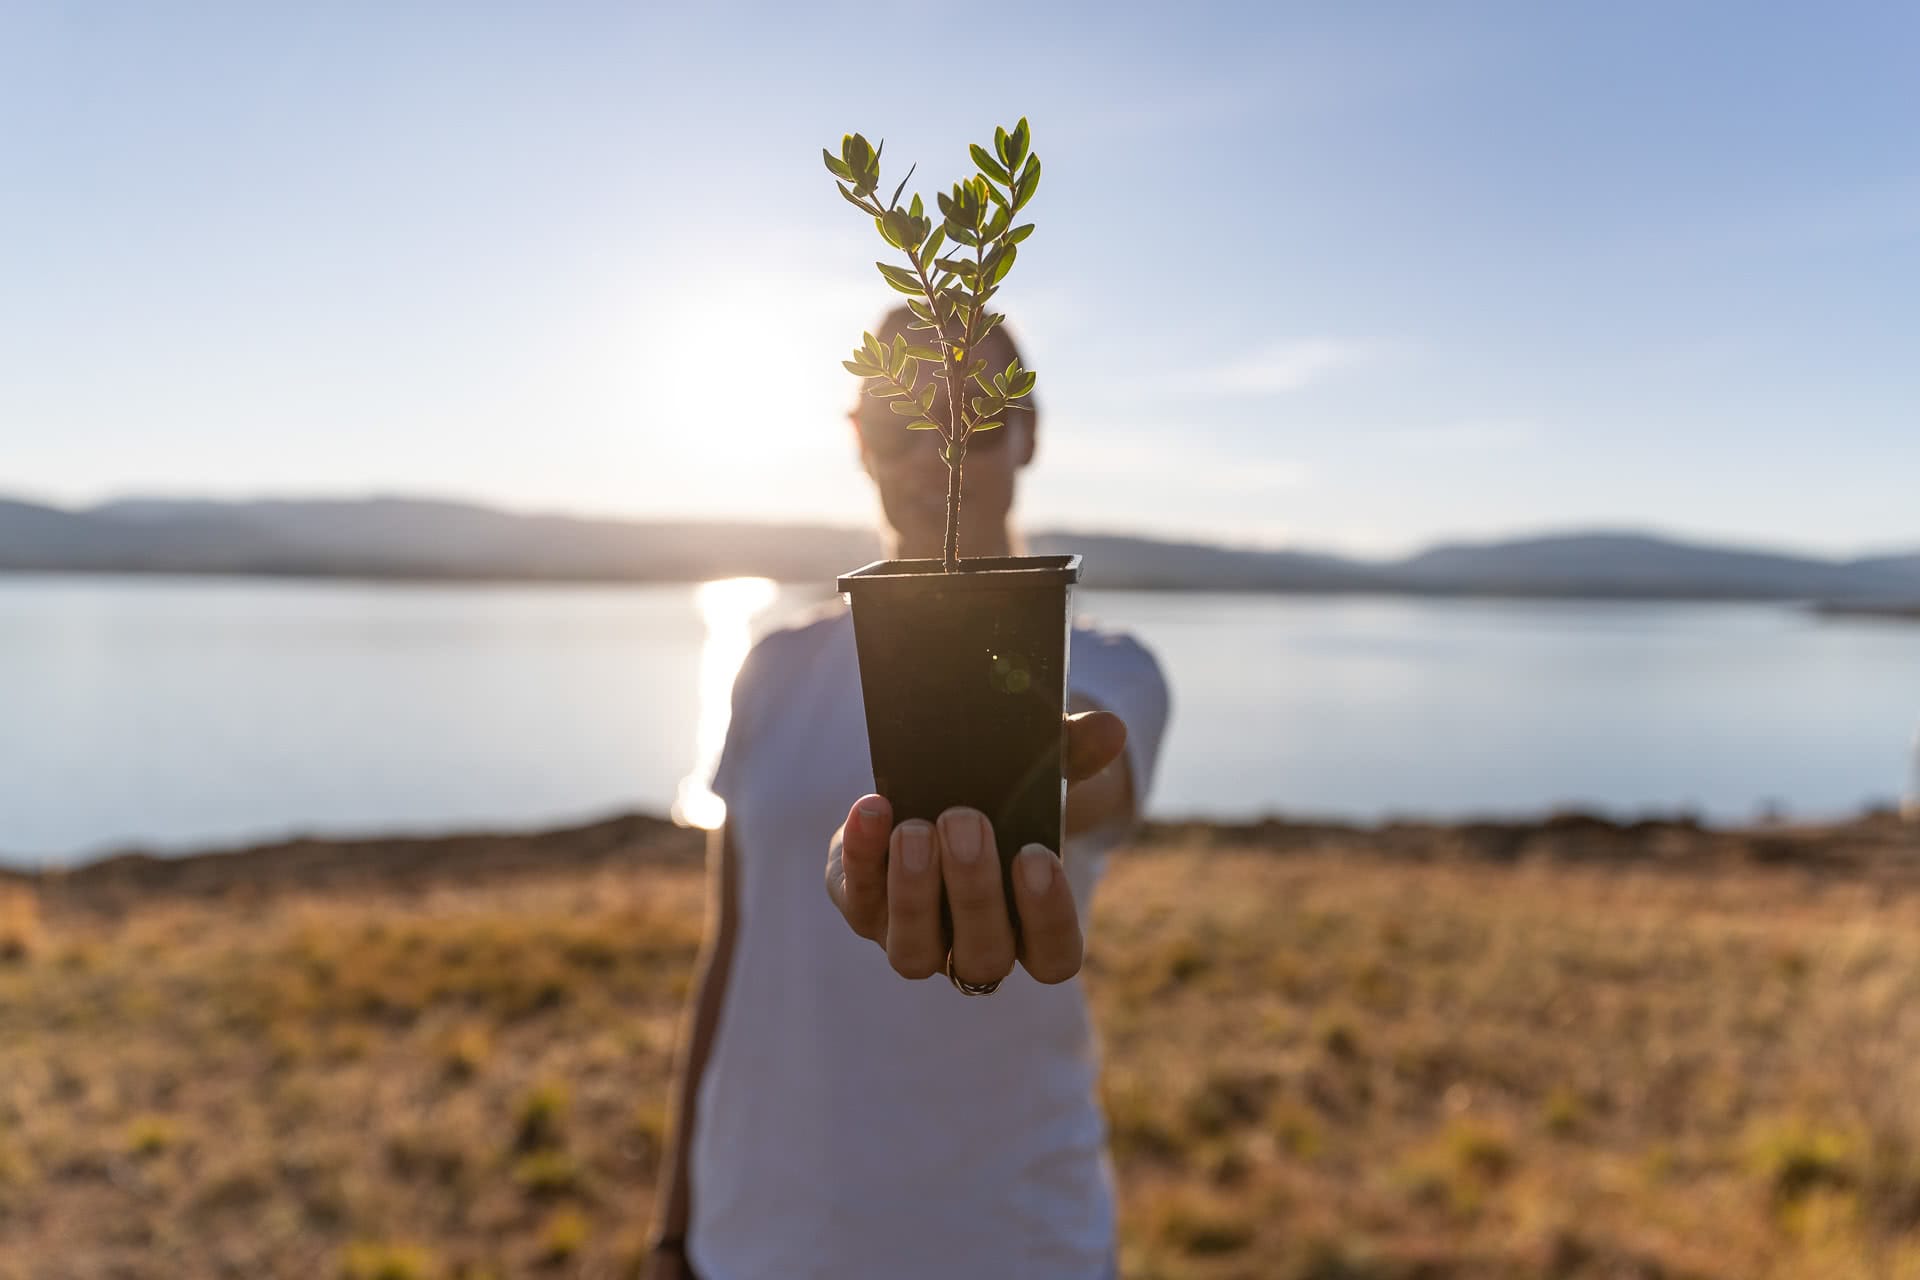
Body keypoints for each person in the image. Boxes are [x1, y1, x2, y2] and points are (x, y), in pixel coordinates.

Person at [645, 306, 1170, 1280]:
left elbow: (1092, 774)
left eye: (972, 423)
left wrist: (1029, 761)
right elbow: (731, 949)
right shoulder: (774, 667)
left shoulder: (1104, 666)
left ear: (1028, 433)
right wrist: (676, 1226)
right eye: (900, 426)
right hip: (751, 1235)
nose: (935, 459)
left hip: (1003, 1241)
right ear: (859, 441)